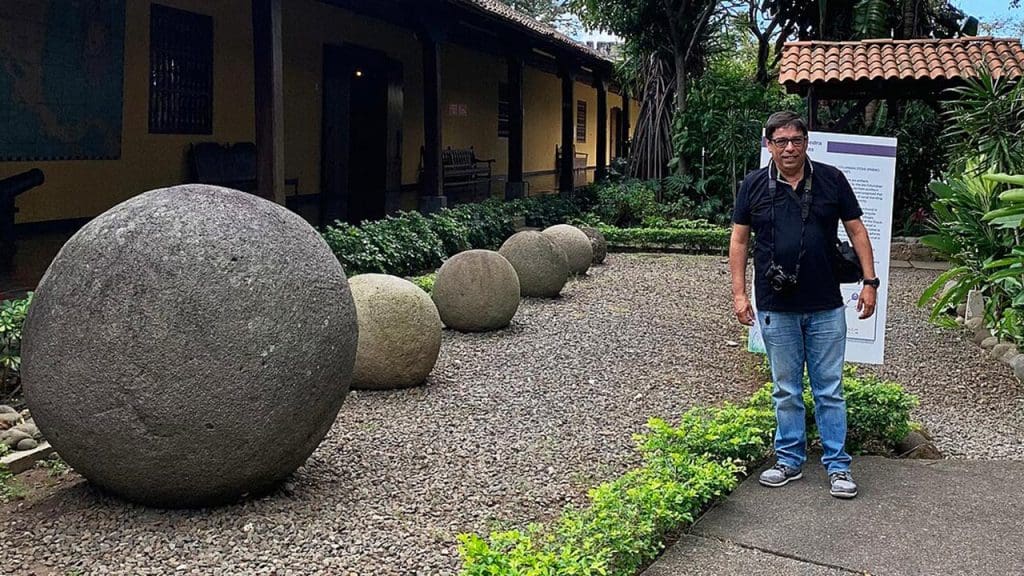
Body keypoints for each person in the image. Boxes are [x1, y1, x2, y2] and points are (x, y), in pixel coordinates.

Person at [729, 111, 879, 499]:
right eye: (781, 141)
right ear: (769, 145)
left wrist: (870, 281)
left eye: (796, 140)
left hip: (826, 303)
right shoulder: (753, 185)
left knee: (829, 388)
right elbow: (740, 242)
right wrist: (739, 294)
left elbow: (857, 230)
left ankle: (838, 465)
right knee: (785, 389)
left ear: (806, 142)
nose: (789, 148)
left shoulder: (830, 178)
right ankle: (789, 459)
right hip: (776, 305)